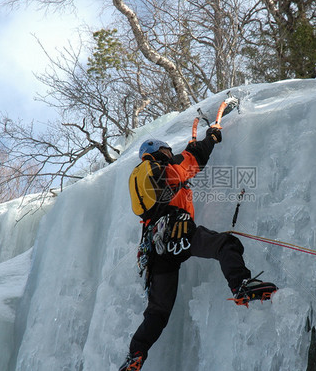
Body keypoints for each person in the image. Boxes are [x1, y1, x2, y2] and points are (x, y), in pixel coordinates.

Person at [119, 126, 277, 371]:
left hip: (156, 249)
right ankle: (240, 285)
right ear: (157, 151)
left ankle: (135, 354)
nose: (170, 153)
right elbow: (193, 158)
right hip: (176, 230)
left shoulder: (140, 179)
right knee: (226, 243)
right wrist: (211, 138)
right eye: (166, 150)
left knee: (158, 311)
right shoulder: (164, 169)